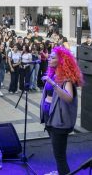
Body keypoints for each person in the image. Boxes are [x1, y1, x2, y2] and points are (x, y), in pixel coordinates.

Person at [40, 46, 83, 175]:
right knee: (56, 150)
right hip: (50, 117)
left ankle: (63, 172)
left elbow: (68, 98)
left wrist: (53, 84)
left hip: (59, 121)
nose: (49, 59)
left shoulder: (66, 80)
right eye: (50, 57)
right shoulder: (52, 73)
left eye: (52, 57)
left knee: (59, 154)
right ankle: (60, 172)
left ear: (61, 61)